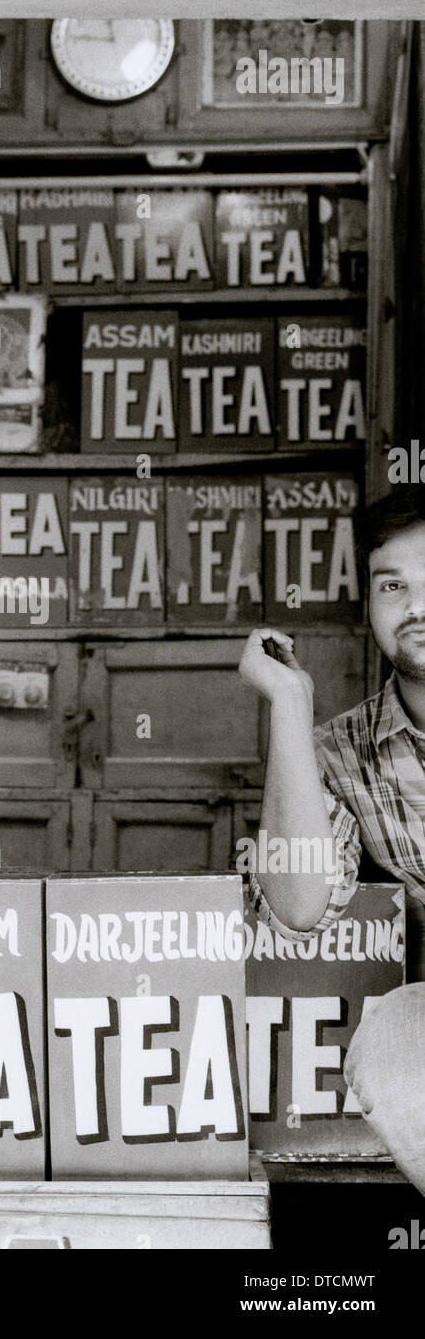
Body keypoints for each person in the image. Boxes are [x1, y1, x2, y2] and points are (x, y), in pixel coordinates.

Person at [239, 484, 425, 1194]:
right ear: (368, 602)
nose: (415, 608)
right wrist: (289, 707)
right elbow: (295, 903)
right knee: (390, 1046)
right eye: (392, 585)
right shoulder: (344, 753)